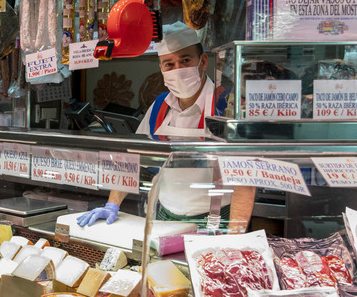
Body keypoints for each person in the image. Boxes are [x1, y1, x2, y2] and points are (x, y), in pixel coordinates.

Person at [78, 22, 255, 233]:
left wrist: (234, 236)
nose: (178, 70)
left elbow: (245, 179)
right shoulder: (159, 105)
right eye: (169, 64)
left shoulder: (227, 104)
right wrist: (113, 203)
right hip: (163, 216)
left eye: (185, 60)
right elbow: (132, 160)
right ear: (161, 68)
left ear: (203, 61)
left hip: (216, 220)